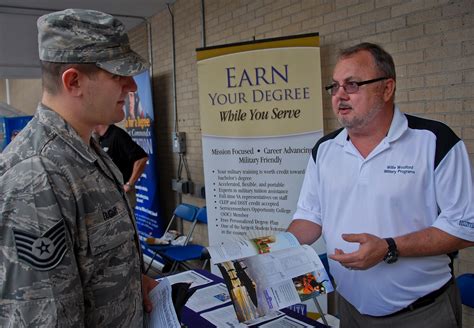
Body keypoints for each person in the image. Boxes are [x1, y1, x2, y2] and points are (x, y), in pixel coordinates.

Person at [287, 42, 474, 328]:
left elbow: (463, 229)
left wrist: (389, 247)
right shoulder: (324, 149)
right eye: (335, 86)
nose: (339, 95)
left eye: (352, 85)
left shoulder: (435, 141)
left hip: (421, 314)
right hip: (349, 309)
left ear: (387, 89)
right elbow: (310, 217)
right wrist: (273, 249)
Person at [0, 9, 158, 327]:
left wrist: (128, 280)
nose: (132, 86)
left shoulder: (84, 149)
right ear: (73, 81)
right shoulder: (38, 175)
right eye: (118, 75)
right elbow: (44, 319)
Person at [94, 124, 148, 207]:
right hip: (111, 196)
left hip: (123, 197)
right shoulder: (100, 138)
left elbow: (141, 158)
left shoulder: (117, 135)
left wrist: (129, 184)